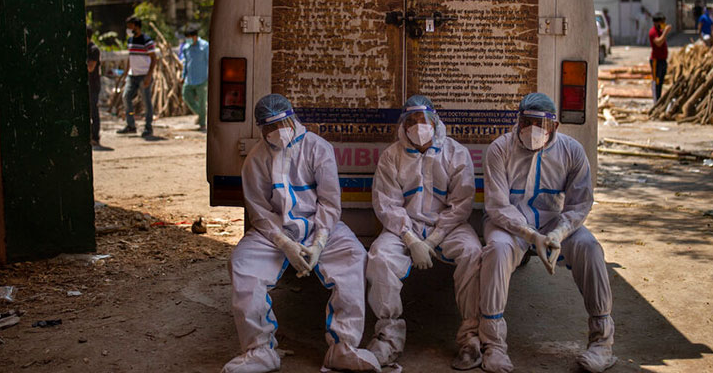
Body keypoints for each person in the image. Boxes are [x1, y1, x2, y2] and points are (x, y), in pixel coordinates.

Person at [223, 94, 380, 373]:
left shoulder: (318, 148)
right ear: (262, 129)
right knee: (243, 265)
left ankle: (343, 348)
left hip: (319, 226)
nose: (278, 131)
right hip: (273, 234)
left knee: (353, 257)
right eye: (271, 127)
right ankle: (259, 351)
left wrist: (319, 242)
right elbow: (259, 211)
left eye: (282, 123)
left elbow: (329, 203)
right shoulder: (256, 159)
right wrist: (284, 243)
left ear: (293, 119)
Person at [479, 93, 615, 373]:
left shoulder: (572, 151)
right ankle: (493, 345)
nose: (533, 130)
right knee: (498, 250)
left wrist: (559, 233)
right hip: (510, 224)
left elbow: (580, 203)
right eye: (527, 122)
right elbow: (498, 206)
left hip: (555, 223)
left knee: (589, 247)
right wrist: (531, 235)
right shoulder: (499, 149)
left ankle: (602, 343)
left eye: (541, 124)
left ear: (556, 126)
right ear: (518, 121)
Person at [365, 96, 482, 370]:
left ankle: (471, 337)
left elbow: (461, 204)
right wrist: (410, 238)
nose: (419, 127)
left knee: (473, 253)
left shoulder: (456, 152)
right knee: (380, 257)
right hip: (405, 228)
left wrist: (432, 240)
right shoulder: (392, 156)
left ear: (435, 121)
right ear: (403, 126)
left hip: (449, 227)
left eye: (424, 120)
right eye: (412, 121)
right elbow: (387, 204)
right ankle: (388, 337)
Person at [118, 16, 157, 137]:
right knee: (126, 97)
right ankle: (131, 124)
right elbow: (130, 57)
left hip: (144, 75)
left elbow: (154, 59)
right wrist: (126, 73)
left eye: (130, 26)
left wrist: (149, 76)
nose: (128, 29)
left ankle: (148, 127)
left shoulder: (147, 40)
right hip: (132, 75)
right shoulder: (130, 40)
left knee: (146, 102)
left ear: (136, 26)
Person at [180, 27, 209, 131]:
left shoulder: (204, 46)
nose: (188, 40)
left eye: (190, 37)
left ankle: (202, 123)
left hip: (202, 79)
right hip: (189, 79)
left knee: (202, 102)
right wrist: (183, 76)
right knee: (186, 96)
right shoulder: (186, 48)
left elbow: (210, 61)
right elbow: (186, 63)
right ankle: (201, 114)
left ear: (195, 36)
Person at [87, 27, 103, 149]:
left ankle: (95, 137)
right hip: (87, 85)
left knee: (93, 111)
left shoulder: (93, 50)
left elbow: (90, 68)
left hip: (93, 85)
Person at [649, 12, 671, 101]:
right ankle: (656, 100)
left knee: (661, 81)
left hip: (663, 60)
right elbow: (658, 42)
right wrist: (665, 32)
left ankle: (659, 98)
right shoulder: (653, 32)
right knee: (656, 81)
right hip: (656, 60)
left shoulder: (660, 31)